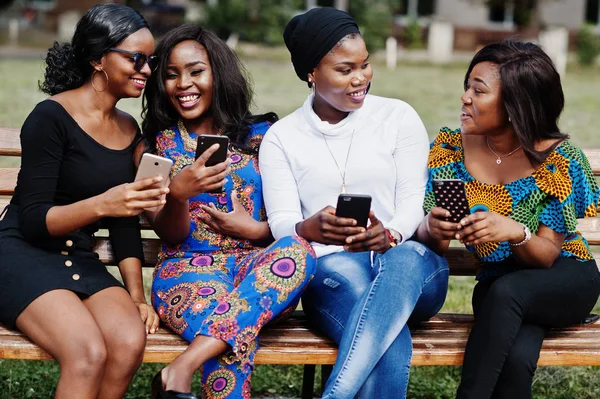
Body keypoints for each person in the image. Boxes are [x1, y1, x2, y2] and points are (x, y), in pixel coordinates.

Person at [259, 7, 450, 399]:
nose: (360, 78)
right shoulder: (283, 137)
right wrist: (307, 229)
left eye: (364, 65)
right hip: (332, 271)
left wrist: (392, 234)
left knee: (408, 257)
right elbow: (281, 221)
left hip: (410, 273)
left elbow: (413, 199)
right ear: (311, 73)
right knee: (387, 337)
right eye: (345, 70)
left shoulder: (397, 117)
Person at [141, 24, 317, 399]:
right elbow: (169, 235)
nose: (183, 84)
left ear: (218, 73)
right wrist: (178, 194)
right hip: (185, 273)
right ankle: (182, 372)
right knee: (230, 338)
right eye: (171, 75)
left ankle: (180, 368)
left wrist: (255, 230)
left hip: (259, 275)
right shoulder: (157, 147)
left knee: (298, 253)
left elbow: (300, 216)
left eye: (195, 71)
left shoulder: (264, 135)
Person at [417, 40, 600, 399]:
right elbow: (436, 242)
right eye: (467, 86)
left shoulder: (560, 160)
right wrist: (434, 228)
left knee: (505, 292)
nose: (465, 97)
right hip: (500, 286)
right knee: (515, 358)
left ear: (517, 104)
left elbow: (547, 255)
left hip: (564, 276)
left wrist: (514, 231)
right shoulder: (450, 148)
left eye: (478, 90)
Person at [0, 4, 162, 399]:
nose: (146, 70)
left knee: (127, 343)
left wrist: (137, 297)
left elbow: (124, 221)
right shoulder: (50, 117)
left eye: (151, 60)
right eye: (136, 59)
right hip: (23, 252)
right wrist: (104, 204)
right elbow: (35, 220)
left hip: (77, 258)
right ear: (97, 59)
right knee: (87, 352)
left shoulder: (128, 128)